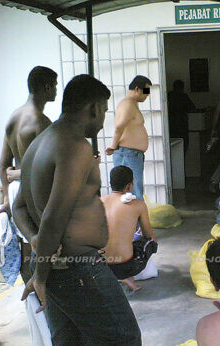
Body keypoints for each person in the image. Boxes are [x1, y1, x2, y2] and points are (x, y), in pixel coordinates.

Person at [15, 75, 141, 345]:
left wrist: (37, 245)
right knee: (125, 338)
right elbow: (54, 216)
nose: (103, 119)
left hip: (55, 267)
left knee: (70, 341)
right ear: (93, 108)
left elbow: (19, 208)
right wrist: (40, 275)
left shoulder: (37, 145)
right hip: (79, 268)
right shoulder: (75, 146)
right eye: (104, 112)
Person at [0, 66, 57, 283]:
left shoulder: (14, 117)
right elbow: (47, 167)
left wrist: (6, 196)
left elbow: (4, 163)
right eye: (55, 85)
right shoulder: (41, 122)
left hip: (16, 192)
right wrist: (21, 175)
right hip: (34, 192)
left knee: (26, 244)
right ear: (47, 86)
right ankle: (45, 296)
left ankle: (33, 298)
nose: (56, 90)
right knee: (42, 246)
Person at [101, 165, 157, 291]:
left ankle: (121, 279)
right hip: (126, 266)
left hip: (100, 266)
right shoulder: (138, 205)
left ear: (111, 183)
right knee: (151, 241)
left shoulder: (98, 202)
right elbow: (148, 235)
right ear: (129, 186)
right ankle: (127, 277)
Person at [106, 75, 152, 201]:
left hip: (131, 154)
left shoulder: (131, 104)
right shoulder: (128, 105)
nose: (147, 95)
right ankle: (136, 221)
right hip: (128, 154)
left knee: (133, 192)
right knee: (132, 192)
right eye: (146, 91)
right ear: (137, 89)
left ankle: (134, 220)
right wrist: (113, 146)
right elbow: (119, 127)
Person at [168, 79, 196, 153]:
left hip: (171, 125)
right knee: (183, 147)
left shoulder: (169, 96)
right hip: (182, 125)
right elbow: (192, 108)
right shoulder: (183, 97)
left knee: (172, 149)